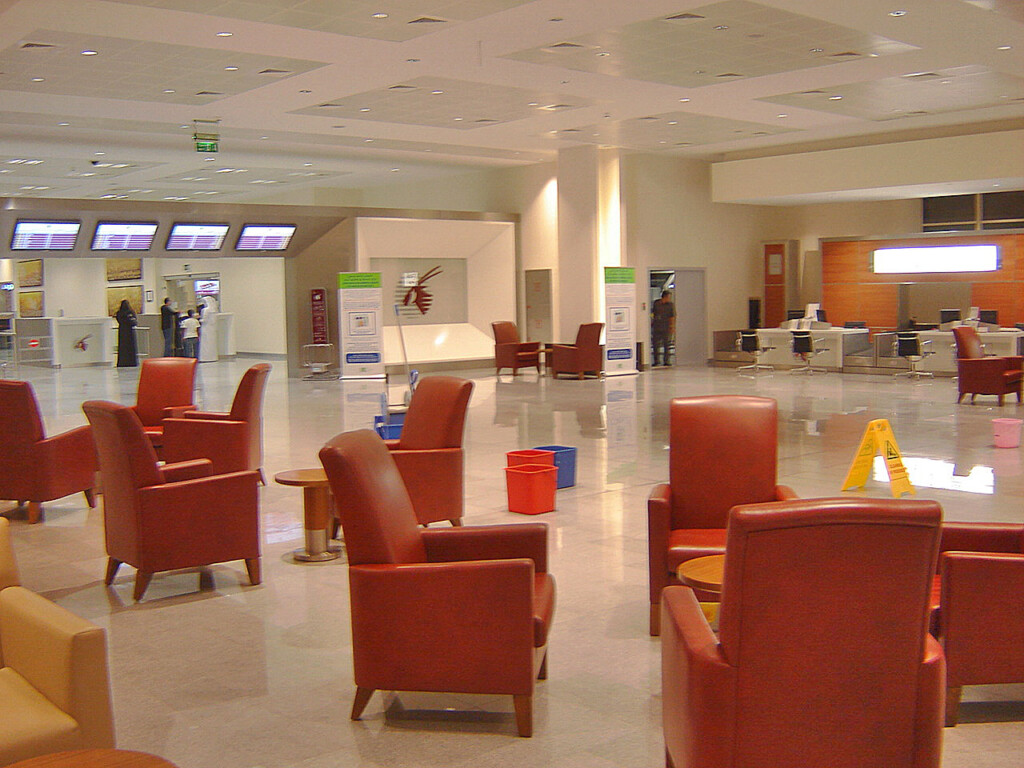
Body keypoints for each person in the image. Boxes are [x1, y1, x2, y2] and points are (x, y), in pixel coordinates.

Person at [651, 289, 676, 367]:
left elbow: (672, 316)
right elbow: (653, 313)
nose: (669, 299)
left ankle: (666, 361)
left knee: (666, 345)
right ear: (665, 296)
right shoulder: (656, 303)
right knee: (655, 345)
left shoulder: (670, 305)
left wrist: (672, 327)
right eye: (669, 297)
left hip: (666, 327)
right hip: (657, 326)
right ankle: (656, 361)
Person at [114, 299, 138, 367]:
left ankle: (123, 362)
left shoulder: (119, 313)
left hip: (122, 331)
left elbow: (119, 320)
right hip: (130, 331)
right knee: (130, 347)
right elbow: (134, 321)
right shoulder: (130, 312)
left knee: (123, 347)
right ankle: (131, 362)